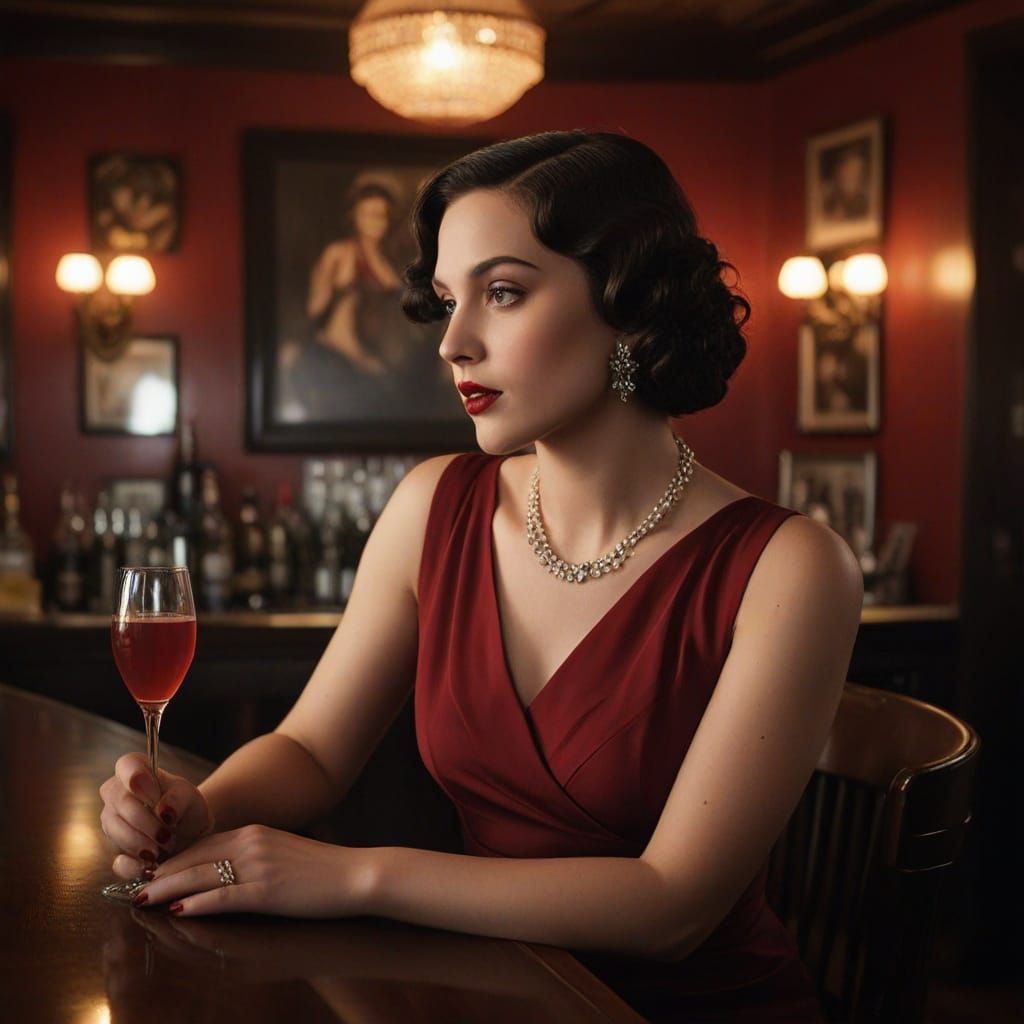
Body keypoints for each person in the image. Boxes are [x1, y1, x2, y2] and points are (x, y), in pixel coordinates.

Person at [99, 130, 864, 1022]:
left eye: (503, 293)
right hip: (487, 994)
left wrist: (356, 876)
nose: (453, 343)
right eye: (448, 300)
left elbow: (673, 905)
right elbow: (311, 750)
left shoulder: (792, 566)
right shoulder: (435, 504)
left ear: (629, 299)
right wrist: (199, 810)